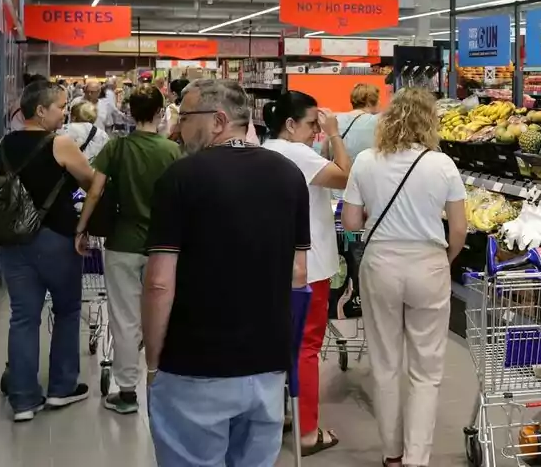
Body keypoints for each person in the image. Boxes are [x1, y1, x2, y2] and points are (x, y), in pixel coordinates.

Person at [143, 79, 311, 467]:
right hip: (267, 366)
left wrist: (153, 362)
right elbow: (298, 273)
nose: (177, 127)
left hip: (194, 366)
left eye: (184, 117)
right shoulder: (289, 175)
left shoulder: (180, 178)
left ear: (217, 120)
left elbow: (158, 283)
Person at [341, 89, 468, 467]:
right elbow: (459, 227)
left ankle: (391, 455)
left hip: (380, 262)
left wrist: (357, 247)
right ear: (429, 121)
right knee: (426, 369)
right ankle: (417, 458)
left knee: (385, 364)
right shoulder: (442, 164)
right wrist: (445, 258)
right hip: (428, 263)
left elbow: (349, 224)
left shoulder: (365, 161)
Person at [76, 84, 181, 415]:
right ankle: (164, 385)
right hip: (164, 248)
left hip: (122, 244)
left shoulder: (117, 148)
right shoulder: (171, 151)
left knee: (124, 320)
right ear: (161, 112)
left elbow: (94, 191)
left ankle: (127, 391)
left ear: (129, 112)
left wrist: (82, 229)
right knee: (164, 317)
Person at [0, 80, 97, 421]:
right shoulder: (61, 144)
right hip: (55, 239)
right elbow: (90, 181)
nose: (65, 111)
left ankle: (24, 400)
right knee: (67, 311)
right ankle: (61, 388)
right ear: (40, 110)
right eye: (60, 106)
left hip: (13, 241)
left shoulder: (4, 145)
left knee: (24, 317)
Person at [262, 92, 351, 456]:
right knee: (307, 347)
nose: (316, 129)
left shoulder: (265, 149)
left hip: (272, 262)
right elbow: (345, 177)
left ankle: (282, 413)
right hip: (307, 265)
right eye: (312, 123)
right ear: (290, 124)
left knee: (280, 345)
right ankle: (308, 432)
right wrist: (334, 134)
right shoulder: (297, 153)